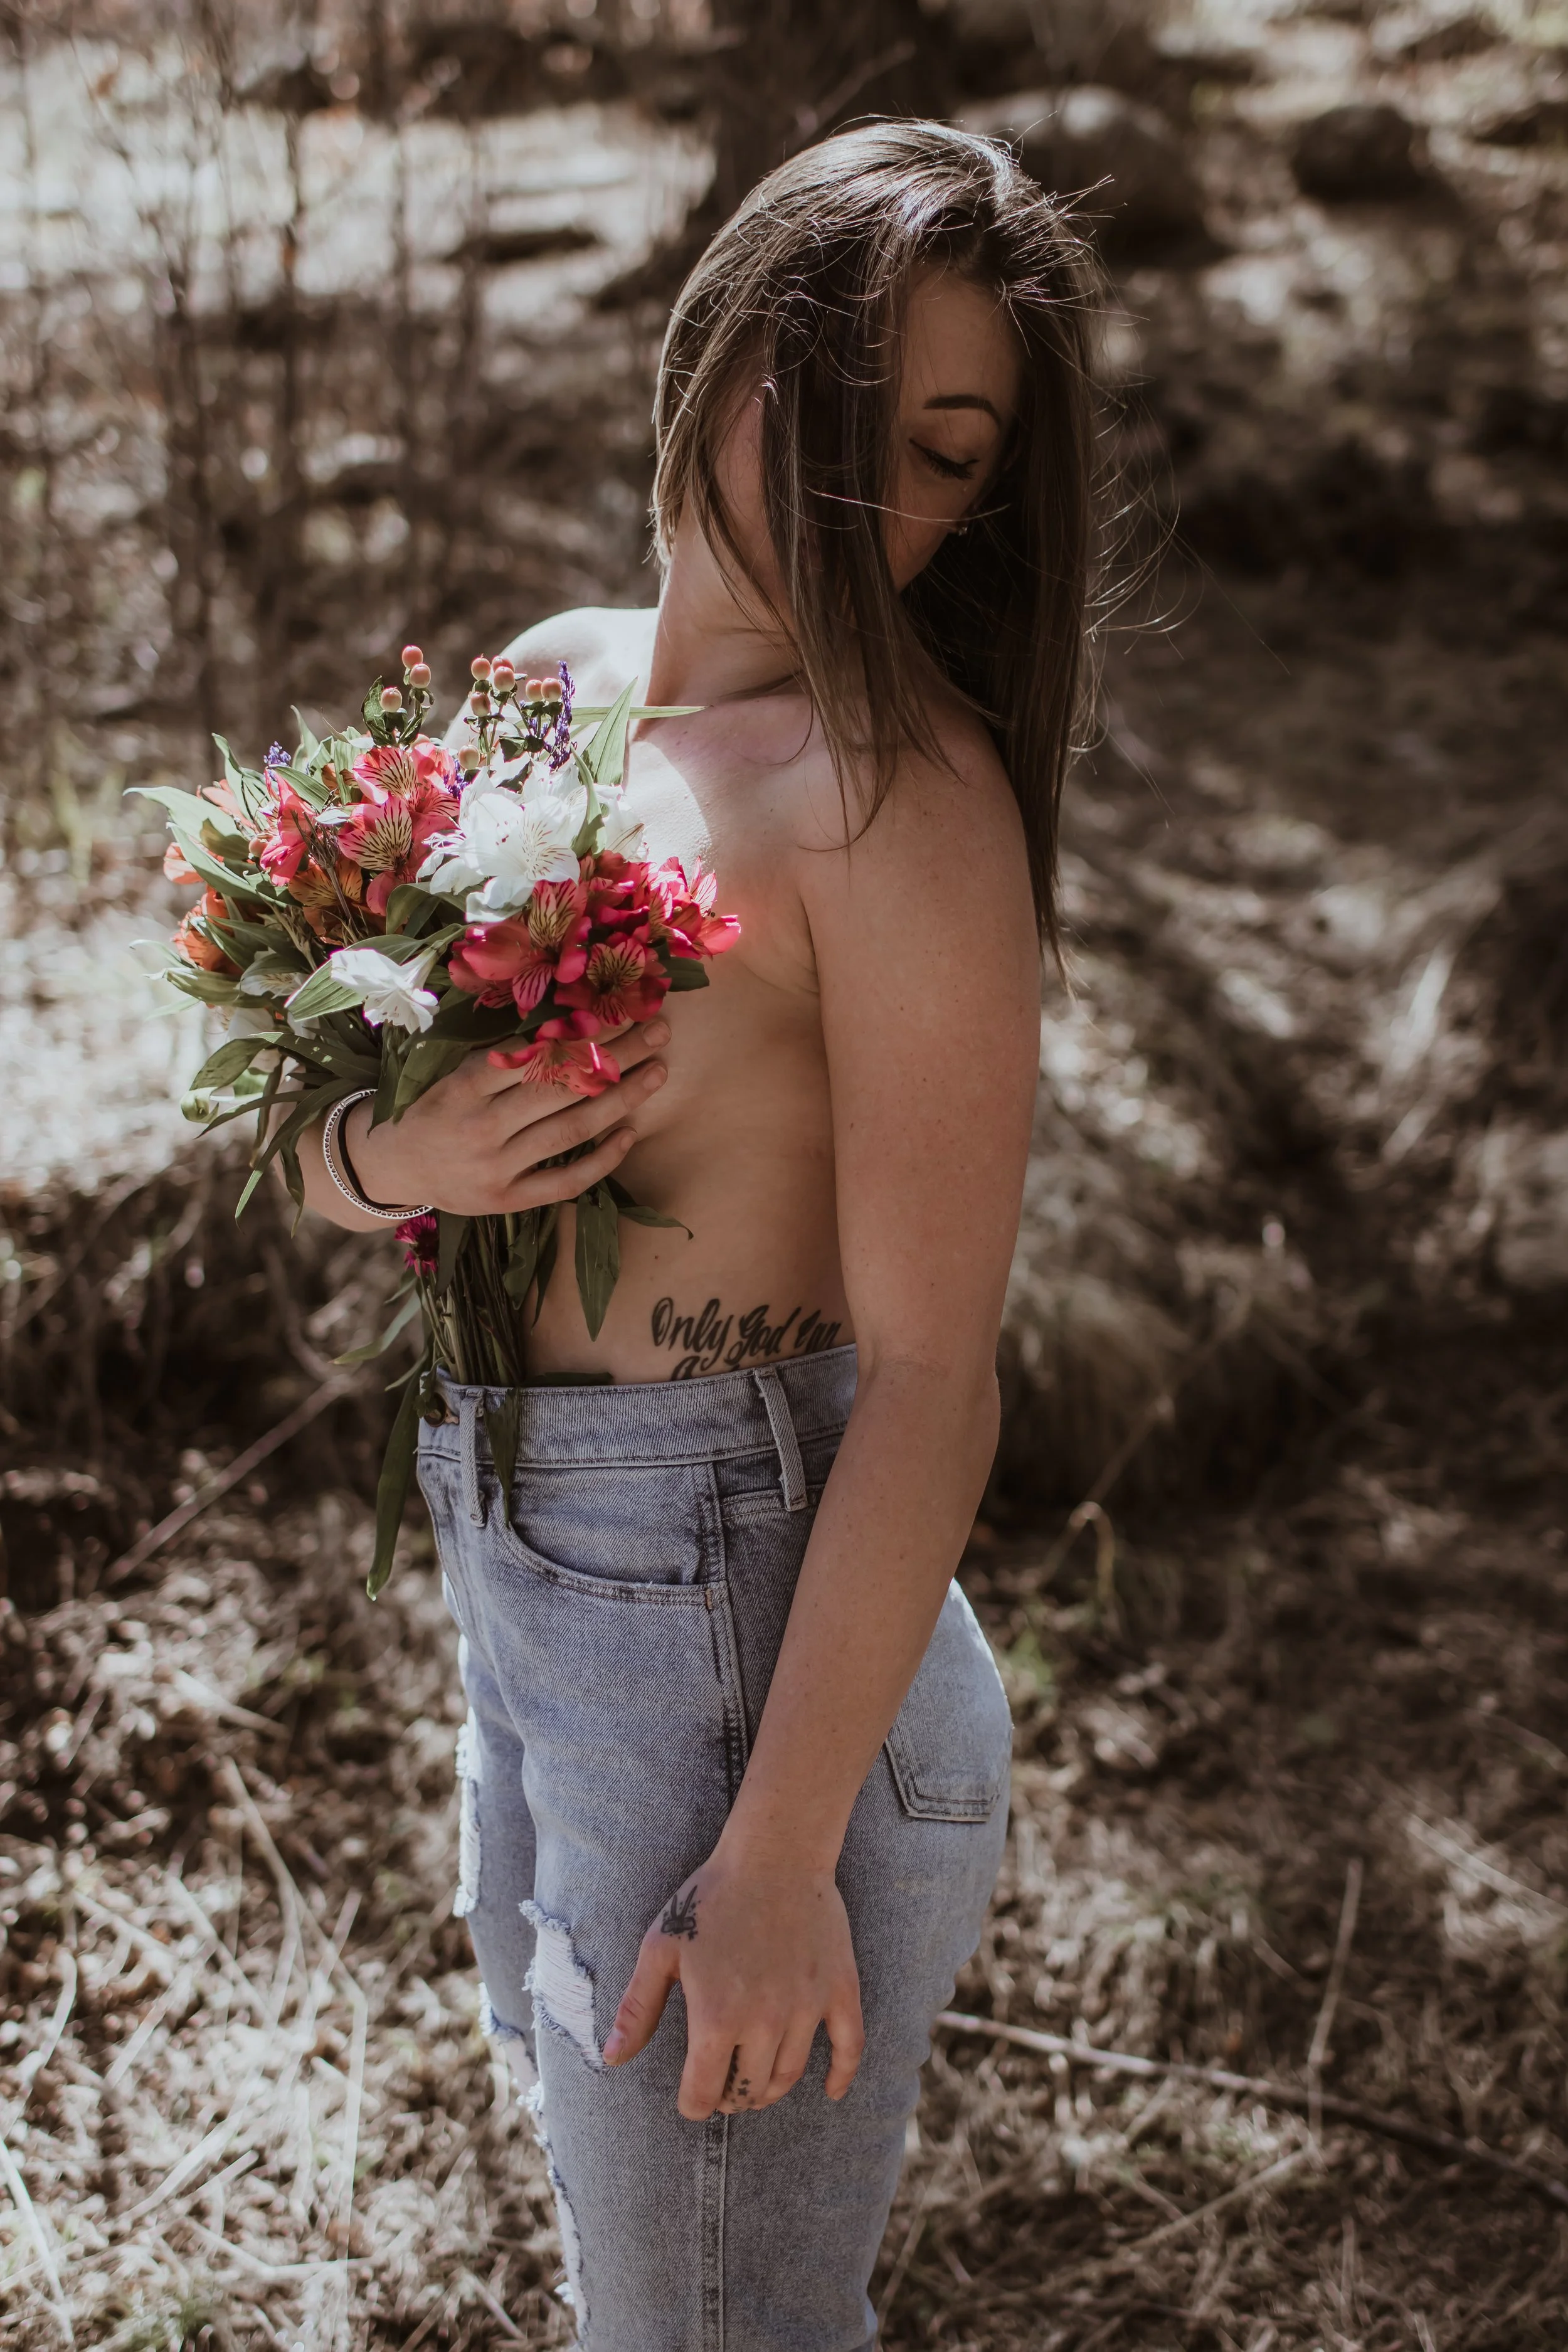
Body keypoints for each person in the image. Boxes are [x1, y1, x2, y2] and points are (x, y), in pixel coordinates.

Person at [300, 119, 1098, 2352]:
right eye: (831, 403)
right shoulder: (540, 686)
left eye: (936, 453)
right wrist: (407, 1166)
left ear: (977, 509)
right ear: (718, 332)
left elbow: (938, 1373)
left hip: (755, 1656)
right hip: (538, 1592)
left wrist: (772, 1860)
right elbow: (313, 1147)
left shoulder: (898, 803)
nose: (860, 495)